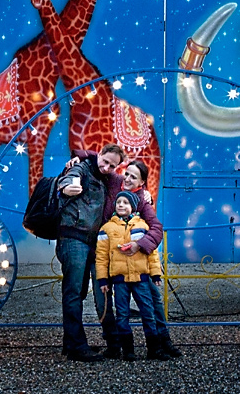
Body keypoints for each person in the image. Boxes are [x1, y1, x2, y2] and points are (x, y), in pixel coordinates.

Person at [56, 143, 163, 362]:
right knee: (86, 294)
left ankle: (151, 343)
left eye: (112, 166)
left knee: (117, 295)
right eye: (105, 162)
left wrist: (145, 196)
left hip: (110, 250)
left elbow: (152, 222)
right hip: (86, 243)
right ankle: (92, 345)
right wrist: (70, 178)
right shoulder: (96, 173)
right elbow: (77, 171)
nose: (106, 167)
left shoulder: (125, 188)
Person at [123, 159, 182, 359]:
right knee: (124, 308)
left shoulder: (142, 202)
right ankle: (121, 346)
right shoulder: (116, 193)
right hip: (120, 263)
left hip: (141, 261)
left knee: (153, 302)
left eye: (134, 177)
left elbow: (157, 229)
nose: (128, 179)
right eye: (127, 174)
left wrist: (140, 245)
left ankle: (161, 342)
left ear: (142, 182)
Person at [96, 190, 161, 361]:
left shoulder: (143, 226)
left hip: (141, 278)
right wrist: (102, 279)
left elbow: (152, 253)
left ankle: (153, 348)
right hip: (120, 280)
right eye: (119, 203)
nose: (121, 205)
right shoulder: (106, 229)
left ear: (132, 207)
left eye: (125, 203)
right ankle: (128, 350)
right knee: (122, 314)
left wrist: (155, 274)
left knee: (148, 312)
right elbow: (101, 257)